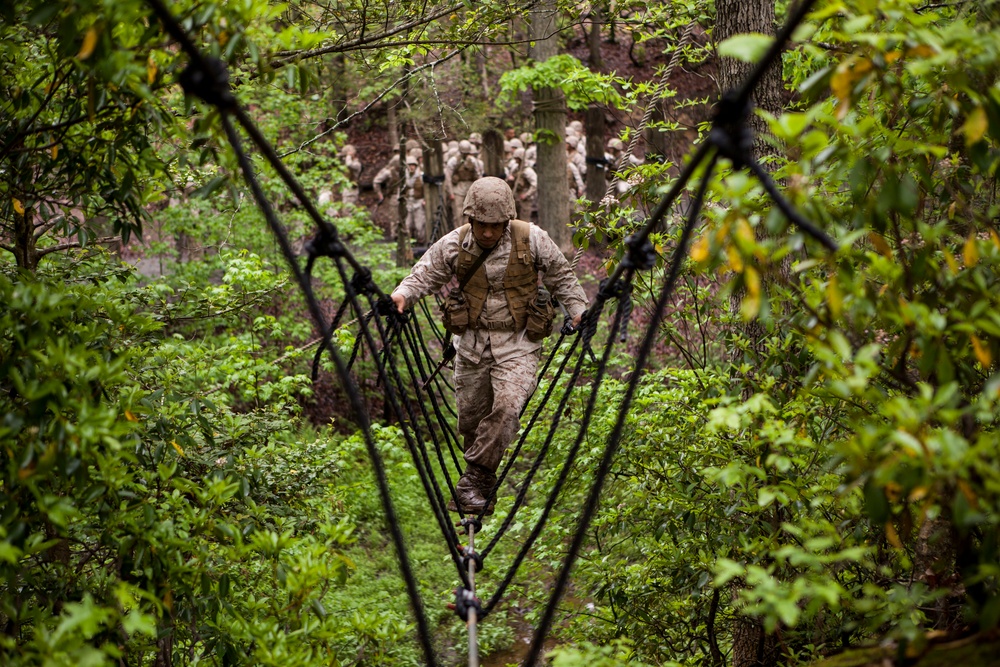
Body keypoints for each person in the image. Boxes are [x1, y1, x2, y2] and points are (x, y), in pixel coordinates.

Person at [390, 177, 588, 514]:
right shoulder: (456, 243)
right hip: (471, 344)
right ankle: (481, 486)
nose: (486, 233)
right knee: (471, 423)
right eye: (481, 225)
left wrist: (580, 311)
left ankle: (475, 480)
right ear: (470, 219)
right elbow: (424, 274)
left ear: (507, 220)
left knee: (508, 408)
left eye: (495, 226)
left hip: (519, 342)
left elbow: (562, 277)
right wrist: (401, 296)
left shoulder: (532, 239)